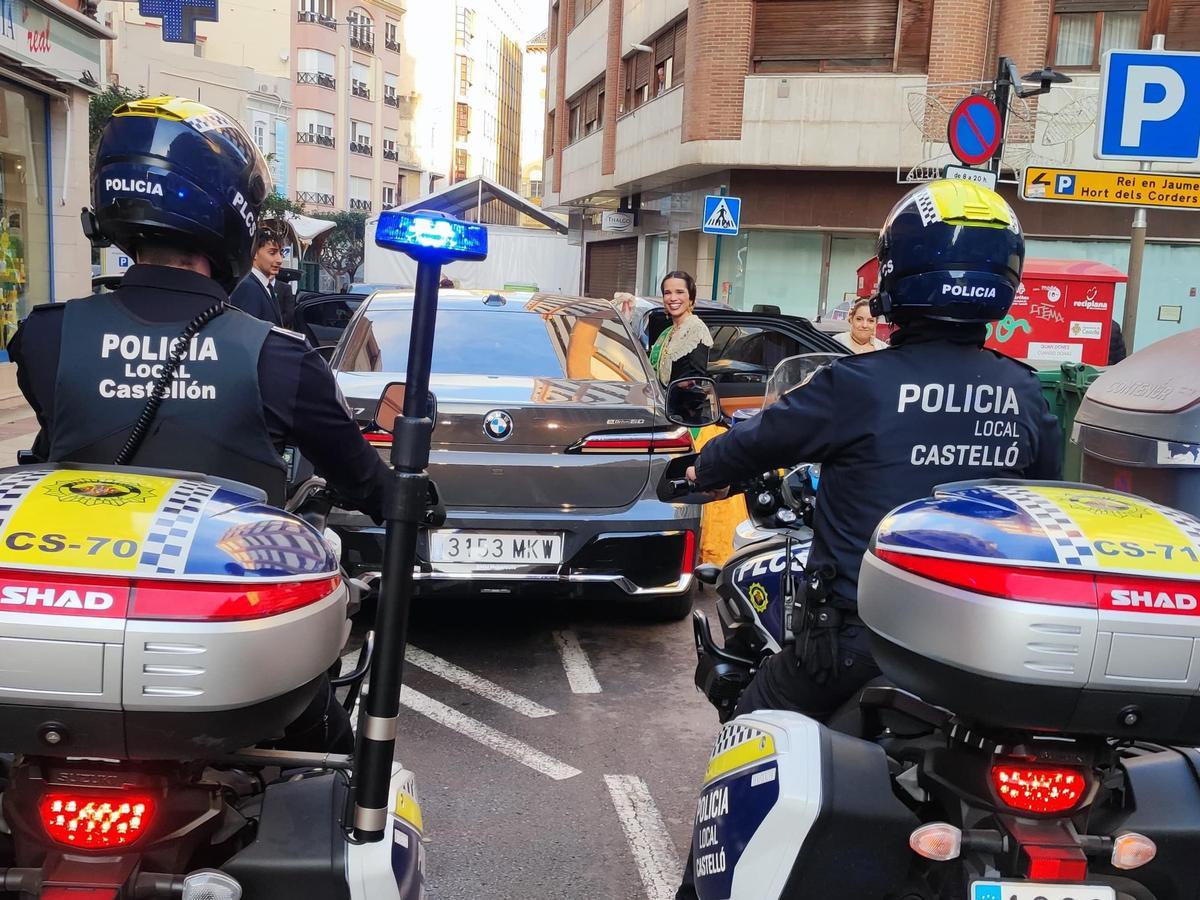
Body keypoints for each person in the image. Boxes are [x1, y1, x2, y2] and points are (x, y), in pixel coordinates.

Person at [675, 179, 1063, 897]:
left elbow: (749, 446)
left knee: (745, 742)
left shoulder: (858, 384)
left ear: (895, 276)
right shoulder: (1025, 391)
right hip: (992, 660)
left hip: (863, 646)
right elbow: (1041, 503)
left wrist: (700, 466)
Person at [9, 95, 392, 753]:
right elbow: (365, 481)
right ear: (234, 216)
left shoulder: (44, 338)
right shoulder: (278, 355)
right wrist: (413, 498)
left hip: (55, 650)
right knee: (330, 760)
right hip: (216, 656)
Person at [647, 271, 711, 387]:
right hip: (660, 402)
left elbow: (695, 382)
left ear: (691, 298)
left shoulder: (696, 329)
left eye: (680, 292)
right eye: (667, 293)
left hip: (682, 404)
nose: (673, 298)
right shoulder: (668, 331)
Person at [229, 224, 285, 325]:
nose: (280, 260)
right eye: (272, 253)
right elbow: (246, 331)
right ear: (254, 253)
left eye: (281, 253)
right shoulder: (248, 286)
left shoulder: (262, 285)